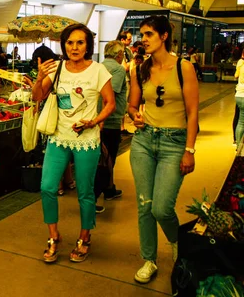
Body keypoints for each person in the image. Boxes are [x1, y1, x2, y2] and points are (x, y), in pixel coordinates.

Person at [32, 24, 115, 264]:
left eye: (80, 42)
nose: (74, 47)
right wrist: (39, 79)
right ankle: (53, 236)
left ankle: (85, 236)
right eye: (70, 42)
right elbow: (38, 96)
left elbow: (110, 103)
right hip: (59, 137)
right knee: (47, 187)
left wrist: (95, 121)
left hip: (87, 140)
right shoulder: (56, 68)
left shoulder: (99, 70)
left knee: (85, 192)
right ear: (64, 45)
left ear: (88, 45)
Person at [128, 15, 199, 284]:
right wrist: (135, 115)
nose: (143, 39)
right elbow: (133, 106)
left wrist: (189, 149)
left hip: (174, 142)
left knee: (162, 207)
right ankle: (149, 259)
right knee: (145, 206)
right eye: (142, 35)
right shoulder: (140, 69)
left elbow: (193, 113)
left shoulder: (184, 67)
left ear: (164, 36)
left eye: (148, 34)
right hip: (144, 141)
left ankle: (178, 242)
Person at [97, 41, 127, 207]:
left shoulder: (98, 66)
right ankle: (100, 190)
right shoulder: (118, 69)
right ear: (119, 55)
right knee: (108, 158)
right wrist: (102, 118)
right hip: (110, 120)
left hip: (97, 119)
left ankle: (109, 187)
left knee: (103, 156)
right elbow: (109, 97)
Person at [233, 50, 244, 148]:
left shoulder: (240, 63)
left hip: (239, 94)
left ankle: (238, 144)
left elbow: (236, 76)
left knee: (240, 121)